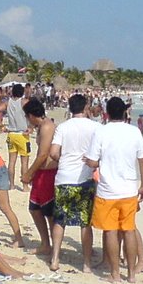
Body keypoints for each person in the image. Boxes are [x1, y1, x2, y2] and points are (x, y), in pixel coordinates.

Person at [84, 97, 143, 283]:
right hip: (129, 189)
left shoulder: (101, 131)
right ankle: (131, 274)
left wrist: (89, 162)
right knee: (128, 230)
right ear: (125, 113)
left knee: (110, 231)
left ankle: (115, 274)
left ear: (107, 113)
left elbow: (93, 160)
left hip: (107, 190)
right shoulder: (134, 131)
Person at [48, 93, 99, 273]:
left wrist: (64, 159)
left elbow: (53, 153)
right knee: (85, 222)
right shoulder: (95, 127)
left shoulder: (63, 127)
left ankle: (55, 259)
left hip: (63, 179)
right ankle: (86, 263)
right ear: (85, 107)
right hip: (85, 178)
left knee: (60, 220)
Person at [21, 97, 57, 256]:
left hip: (48, 172)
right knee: (35, 209)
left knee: (48, 212)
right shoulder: (41, 126)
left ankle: (53, 246)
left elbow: (43, 155)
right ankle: (45, 243)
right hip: (41, 173)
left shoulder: (47, 127)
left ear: (31, 115)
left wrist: (28, 173)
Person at [4, 84, 31, 192]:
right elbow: (33, 113)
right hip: (22, 135)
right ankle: (24, 186)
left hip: (11, 134)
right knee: (24, 162)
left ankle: (11, 185)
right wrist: (31, 127)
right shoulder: (24, 102)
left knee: (11, 162)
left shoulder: (8, 102)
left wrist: (1, 125)